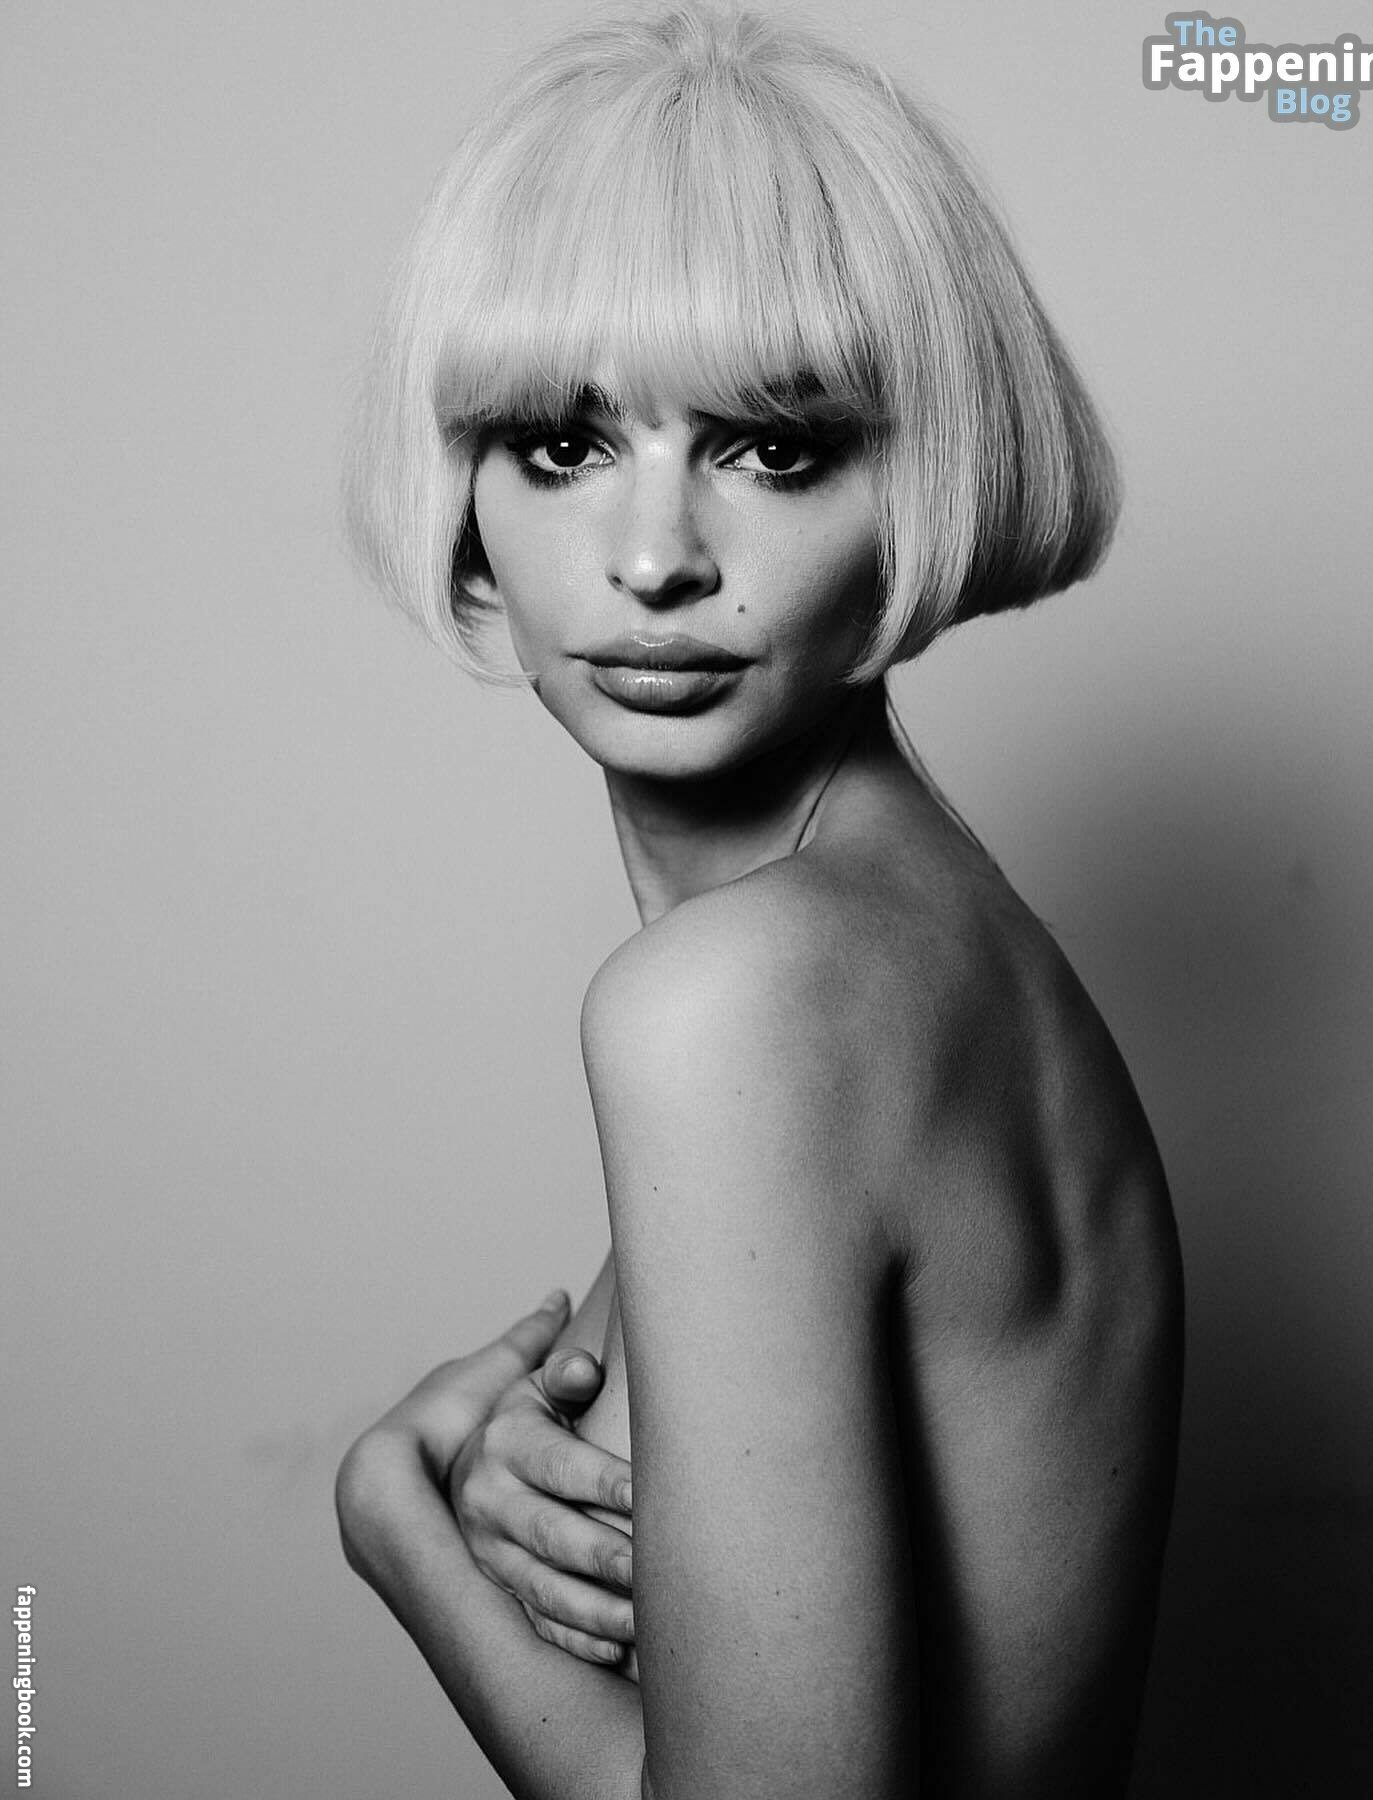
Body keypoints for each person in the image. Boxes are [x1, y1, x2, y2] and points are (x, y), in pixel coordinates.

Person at [334, 5, 1184, 1795]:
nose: (654, 558)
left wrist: (401, 1535)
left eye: (772, 448)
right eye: (561, 442)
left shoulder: (741, 1001)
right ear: (468, 494)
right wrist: (507, 1470)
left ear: (927, 481)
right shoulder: (928, 950)